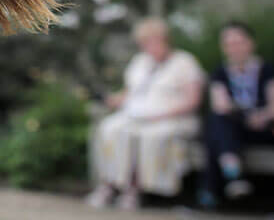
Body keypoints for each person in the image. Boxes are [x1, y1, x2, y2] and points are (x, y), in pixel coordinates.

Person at [87, 17, 205, 210]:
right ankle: (109, 184)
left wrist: (161, 114)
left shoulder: (185, 62)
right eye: (143, 42)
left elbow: (193, 101)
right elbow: (129, 94)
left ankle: (134, 190)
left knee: (145, 135)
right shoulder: (140, 62)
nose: (147, 46)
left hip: (171, 117)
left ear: (164, 39)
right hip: (137, 115)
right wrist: (110, 99)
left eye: (151, 41)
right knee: (110, 128)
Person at [199, 22, 274, 206]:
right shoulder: (220, 72)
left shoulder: (270, 70)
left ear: (251, 43)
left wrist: (261, 117)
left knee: (215, 131)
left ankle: (215, 188)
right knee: (218, 122)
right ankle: (231, 177)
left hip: (266, 128)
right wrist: (244, 115)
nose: (234, 48)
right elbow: (220, 105)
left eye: (238, 42)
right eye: (229, 44)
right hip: (234, 127)